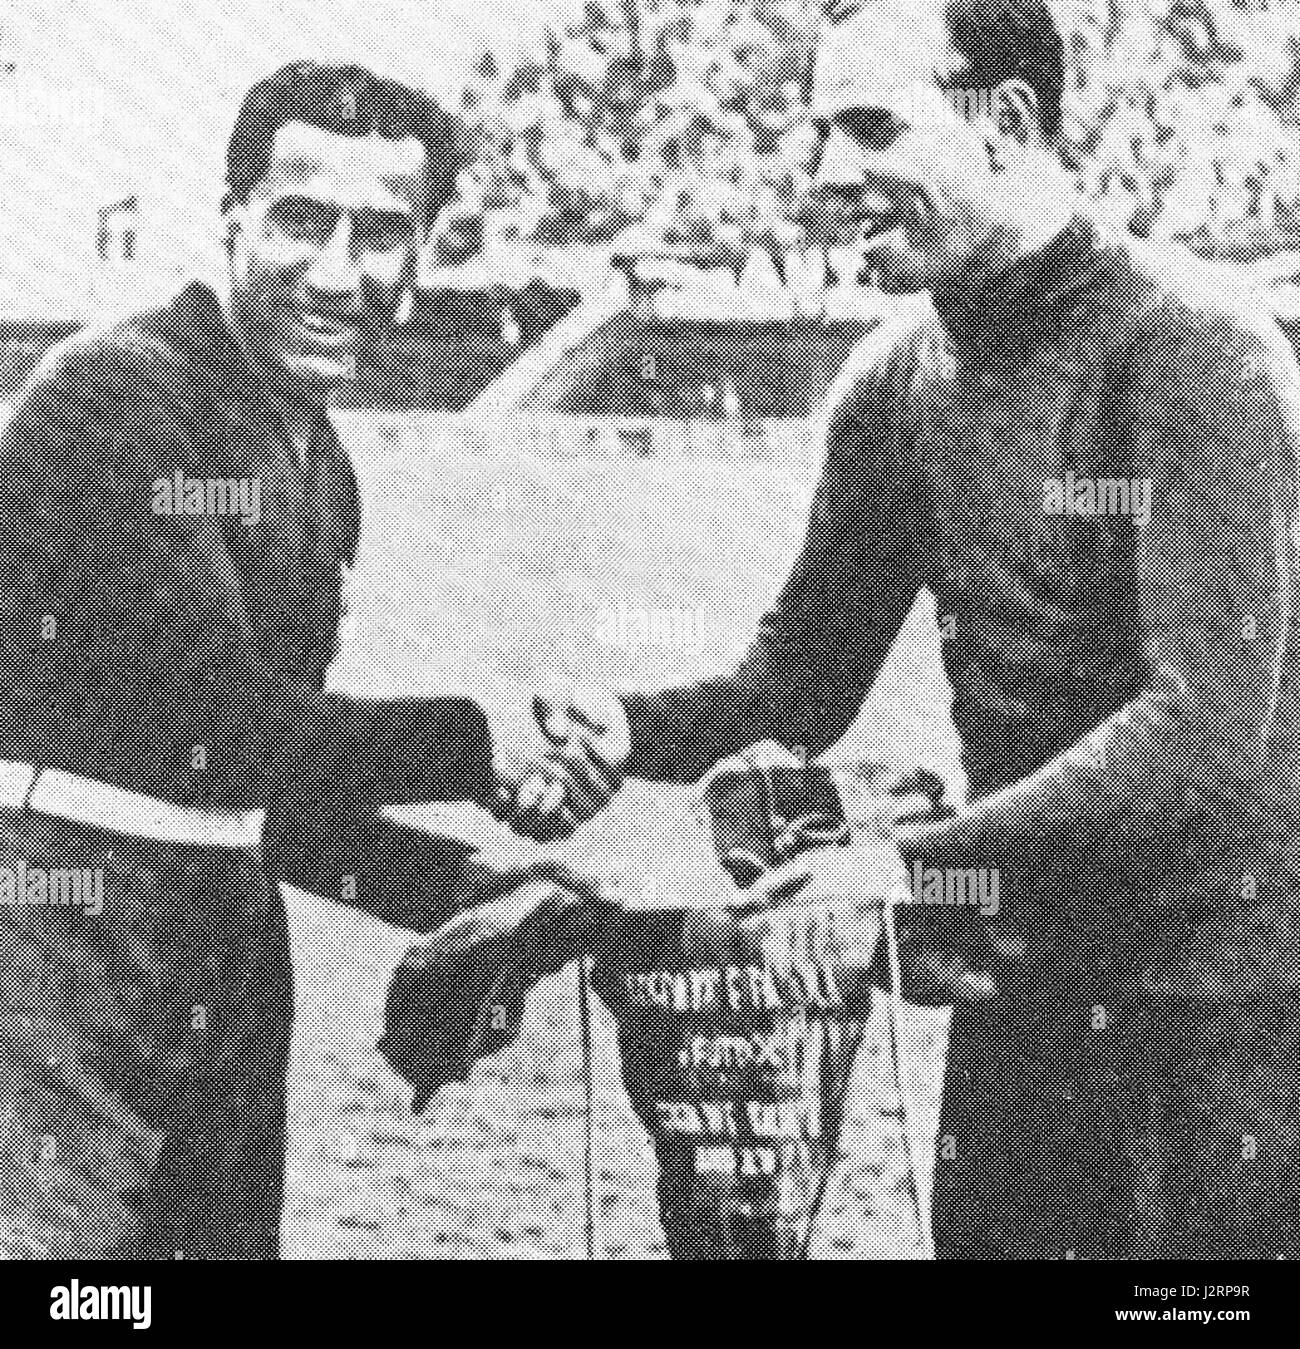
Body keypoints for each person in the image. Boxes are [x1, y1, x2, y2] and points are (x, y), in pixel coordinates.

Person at [519, 0, 1300, 1259]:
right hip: (1016, 985)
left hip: (1222, 1013)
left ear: (1006, 122)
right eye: (821, 132)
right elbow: (797, 681)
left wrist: (910, 864)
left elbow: (1202, 727)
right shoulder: (893, 385)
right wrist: (630, 725)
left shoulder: (1197, 351)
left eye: (872, 126)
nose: (830, 173)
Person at [0, 60, 591, 1258]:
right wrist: (483, 743)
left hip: (219, 978)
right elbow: (225, 726)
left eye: (380, 233)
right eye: (300, 220)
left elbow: (268, 806)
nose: (336, 271)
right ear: (232, 220)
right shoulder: (119, 398)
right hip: (55, 958)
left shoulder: (320, 464)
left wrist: (481, 896)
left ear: (422, 254)